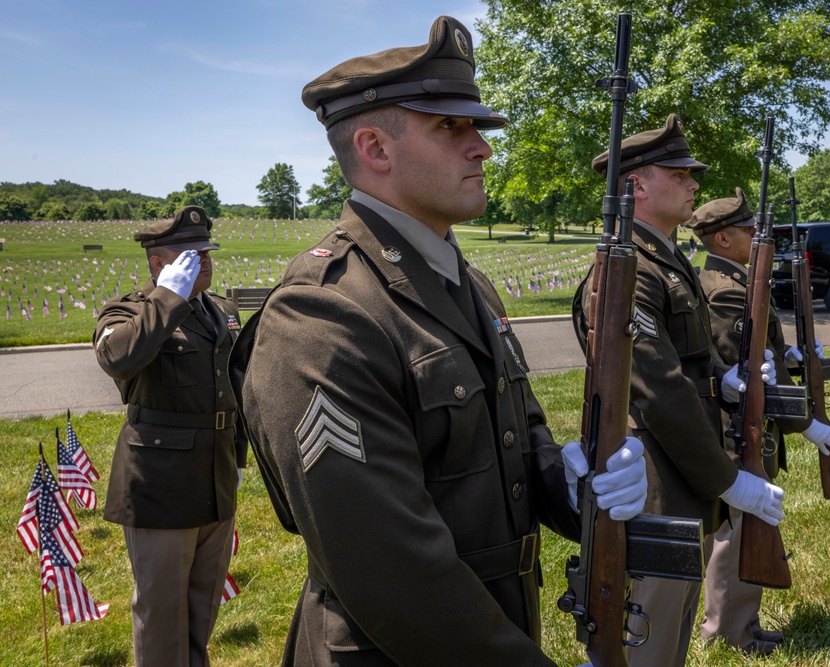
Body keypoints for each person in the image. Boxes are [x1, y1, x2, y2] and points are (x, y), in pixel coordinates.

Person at [228, 16, 647, 667]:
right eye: (451, 127)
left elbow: (518, 435)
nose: (482, 147)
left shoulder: (472, 287)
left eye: (474, 126)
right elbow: (391, 570)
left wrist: (573, 481)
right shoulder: (321, 314)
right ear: (375, 147)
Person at [572, 115, 784, 666]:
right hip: (654, 480)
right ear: (636, 185)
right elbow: (659, 390)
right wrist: (727, 479)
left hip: (680, 476)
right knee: (648, 639)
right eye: (681, 173)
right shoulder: (630, 270)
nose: (694, 183)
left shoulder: (665, 261)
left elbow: (692, 361)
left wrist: (729, 378)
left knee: (672, 637)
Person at [689, 189, 830, 654]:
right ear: (722, 239)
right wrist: (806, 425)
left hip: (748, 428)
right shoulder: (726, 293)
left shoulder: (736, 283)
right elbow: (746, 377)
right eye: (747, 231)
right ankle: (727, 631)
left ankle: (744, 624)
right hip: (737, 430)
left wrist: (792, 358)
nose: (762, 238)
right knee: (736, 533)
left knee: (746, 527)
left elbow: (766, 357)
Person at [94, 205, 247, 667]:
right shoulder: (128, 311)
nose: (204, 260)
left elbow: (231, 390)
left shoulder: (220, 309)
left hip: (215, 479)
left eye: (207, 251)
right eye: (191, 253)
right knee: (162, 615)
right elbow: (118, 358)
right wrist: (167, 298)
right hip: (160, 485)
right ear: (160, 262)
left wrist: (236, 462)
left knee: (203, 608)